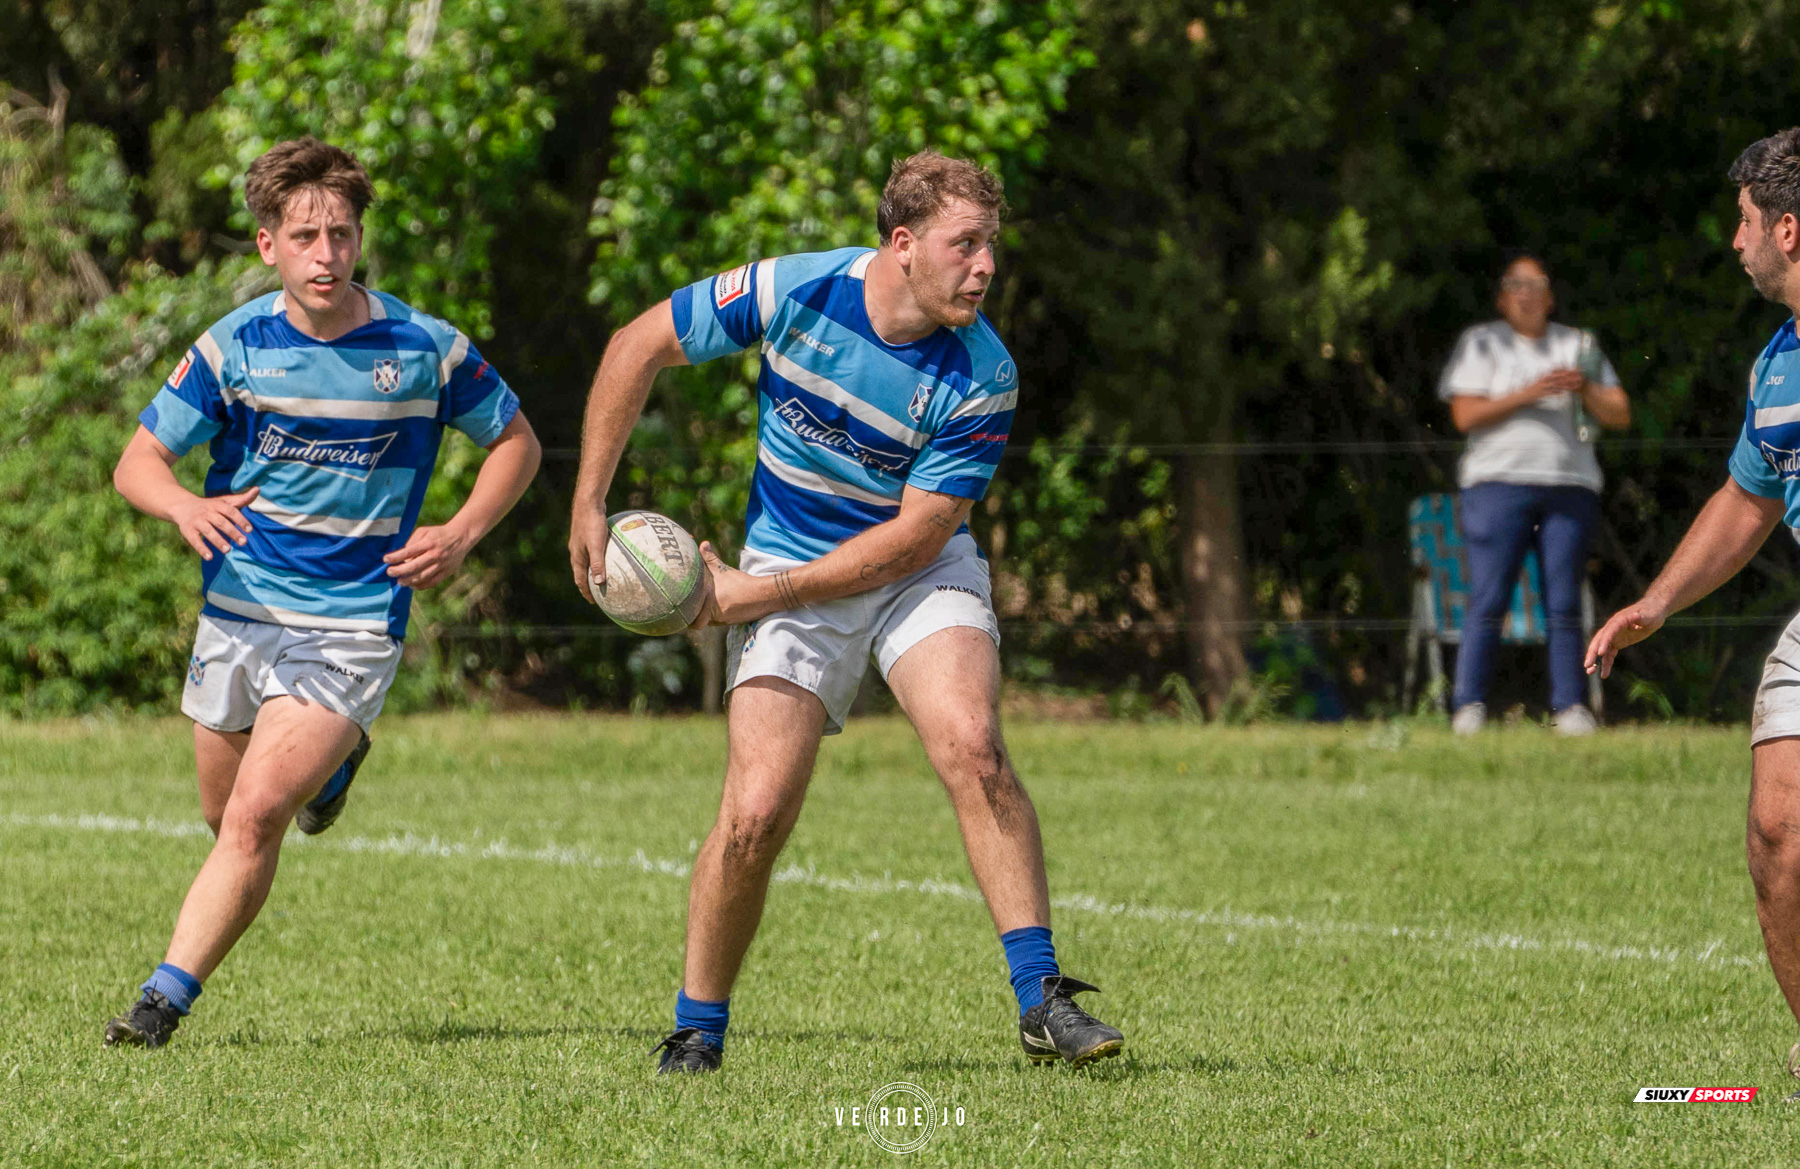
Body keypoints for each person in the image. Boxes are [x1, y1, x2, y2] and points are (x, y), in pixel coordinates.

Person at [568, 151, 1125, 1073]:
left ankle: (1043, 999)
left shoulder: (984, 373)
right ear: (903, 244)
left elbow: (913, 540)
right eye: (966, 245)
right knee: (753, 813)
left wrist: (751, 595)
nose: (986, 267)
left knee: (973, 745)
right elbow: (637, 343)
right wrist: (589, 500)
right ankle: (698, 1030)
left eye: (992, 246)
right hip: (791, 553)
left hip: (917, 569)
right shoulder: (794, 290)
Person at [103, 137, 541, 1047]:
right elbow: (137, 461)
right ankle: (333, 770)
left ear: (359, 239)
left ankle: (159, 1003)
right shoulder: (234, 346)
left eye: (341, 234)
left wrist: (461, 532)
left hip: (351, 622)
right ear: (268, 244)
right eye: (304, 236)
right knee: (226, 816)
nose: (326, 254)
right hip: (239, 612)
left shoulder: (422, 348)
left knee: (257, 813)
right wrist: (184, 504)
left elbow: (517, 442)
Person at [1588, 126, 1800, 1097]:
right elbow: (1748, 501)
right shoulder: (1777, 364)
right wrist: (1657, 600)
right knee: (1776, 827)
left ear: (1787, 229)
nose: (1734, 239)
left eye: (1744, 220)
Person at [1439, 253, 1631, 735]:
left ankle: (1571, 707)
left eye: (1536, 284)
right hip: (1496, 485)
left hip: (1570, 487)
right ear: (1501, 299)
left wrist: (1583, 387)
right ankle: (1469, 706)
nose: (1526, 294)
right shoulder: (1482, 343)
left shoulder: (1577, 344)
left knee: (1564, 601)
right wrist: (1531, 392)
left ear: (1551, 297)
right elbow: (1464, 415)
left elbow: (1620, 413)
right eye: (1515, 285)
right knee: (1489, 597)